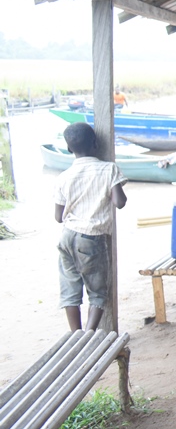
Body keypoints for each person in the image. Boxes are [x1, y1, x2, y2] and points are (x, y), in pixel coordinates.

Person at [53, 122, 128, 330]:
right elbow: (120, 202)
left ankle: (75, 335)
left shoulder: (63, 177)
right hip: (92, 237)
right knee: (97, 293)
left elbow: (58, 216)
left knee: (70, 289)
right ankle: (89, 334)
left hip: (67, 237)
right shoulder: (108, 169)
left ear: (69, 149)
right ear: (95, 144)